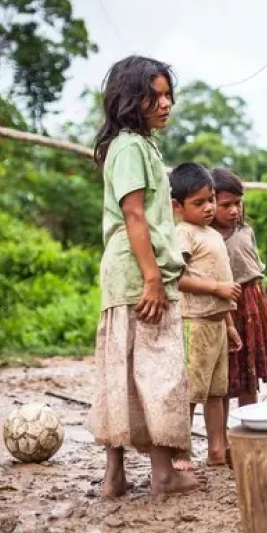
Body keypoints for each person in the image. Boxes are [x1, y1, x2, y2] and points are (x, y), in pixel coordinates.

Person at [85, 55, 198, 497]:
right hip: (139, 273)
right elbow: (134, 214)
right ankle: (164, 474)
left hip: (126, 273)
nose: (166, 103)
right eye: (156, 95)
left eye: (168, 94)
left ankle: (115, 476)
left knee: (122, 371)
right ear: (132, 100)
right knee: (158, 371)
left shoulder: (137, 145)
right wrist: (153, 278)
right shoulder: (131, 146)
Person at [170, 162, 242, 469]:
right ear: (177, 206)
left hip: (216, 324)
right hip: (194, 324)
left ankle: (216, 450)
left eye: (211, 199)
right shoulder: (184, 233)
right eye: (199, 203)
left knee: (216, 393)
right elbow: (176, 278)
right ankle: (181, 453)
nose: (209, 207)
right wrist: (216, 288)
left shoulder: (211, 234)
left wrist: (229, 325)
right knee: (191, 393)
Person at [209, 167, 267, 412]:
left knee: (250, 374)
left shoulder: (245, 231)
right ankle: (224, 438)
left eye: (237, 203)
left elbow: (254, 269)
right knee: (227, 375)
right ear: (210, 203)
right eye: (226, 204)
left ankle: (250, 426)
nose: (234, 210)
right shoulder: (209, 238)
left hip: (253, 302)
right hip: (228, 305)